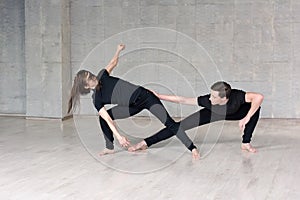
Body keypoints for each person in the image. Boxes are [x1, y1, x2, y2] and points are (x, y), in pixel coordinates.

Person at [68, 44, 199, 158]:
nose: (92, 77)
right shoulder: (97, 99)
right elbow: (108, 119)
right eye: (89, 78)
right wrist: (119, 137)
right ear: (86, 86)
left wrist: (118, 50)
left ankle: (192, 147)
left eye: (91, 74)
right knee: (103, 118)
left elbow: (113, 62)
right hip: (131, 106)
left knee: (169, 123)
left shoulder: (102, 75)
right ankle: (109, 147)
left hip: (147, 97)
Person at [129, 81, 264, 157]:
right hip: (214, 112)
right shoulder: (208, 101)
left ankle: (245, 143)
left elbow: (258, 97)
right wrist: (159, 96)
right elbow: (183, 100)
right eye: (210, 95)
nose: (210, 98)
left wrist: (247, 117)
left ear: (224, 98)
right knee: (179, 126)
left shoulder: (237, 96)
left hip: (238, 113)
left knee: (256, 109)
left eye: (214, 97)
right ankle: (146, 143)